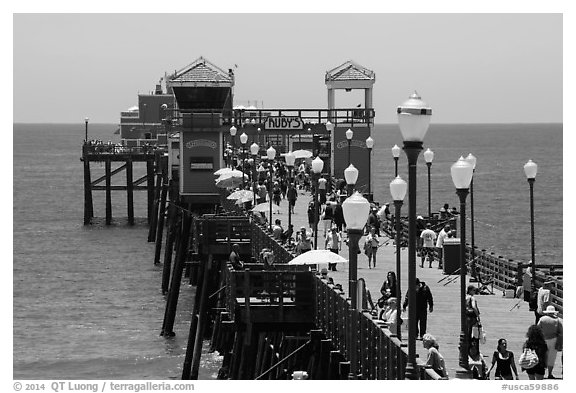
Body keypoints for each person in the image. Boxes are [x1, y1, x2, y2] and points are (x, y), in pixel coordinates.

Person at [537, 305, 563, 379]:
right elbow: (561, 331)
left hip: (543, 339)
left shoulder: (542, 319)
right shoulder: (557, 320)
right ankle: (550, 373)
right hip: (554, 339)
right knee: (552, 357)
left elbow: (537, 329)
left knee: (543, 356)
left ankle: (541, 372)